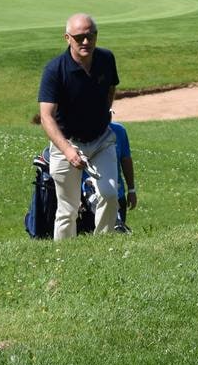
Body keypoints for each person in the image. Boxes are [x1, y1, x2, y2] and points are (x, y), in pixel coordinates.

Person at [38, 13, 122, 239]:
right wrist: (67, 150)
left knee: (109, 193)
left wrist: (103, 117)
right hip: (67, 143)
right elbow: (46, 116)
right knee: (68, 208)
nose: (86, 41)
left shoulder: (106, 59)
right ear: (67, 38)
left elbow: (110, 89)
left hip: (101, 140)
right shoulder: (55, 70)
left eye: (90, 35)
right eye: (79, 37)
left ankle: (103, 245)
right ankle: (63, 257)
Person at [111, 121, 138, 232]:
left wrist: (131, 190)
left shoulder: (118, 130)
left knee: (117, 233)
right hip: (85, 197)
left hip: (117, 195)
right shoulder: (79, 131)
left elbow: (125, 159)